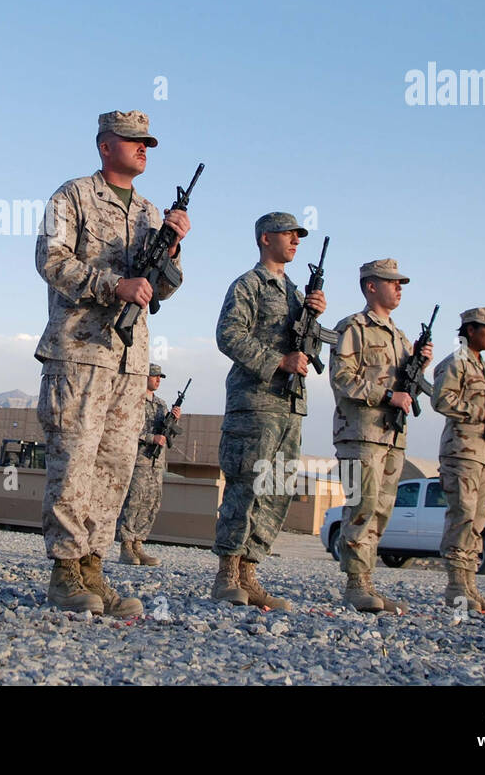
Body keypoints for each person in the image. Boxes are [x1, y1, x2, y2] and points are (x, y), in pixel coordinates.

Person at [35, 111, 190, 616]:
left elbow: (163, 288)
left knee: (114, 467)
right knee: (75, 460)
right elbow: (50, 260)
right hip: (79, 351)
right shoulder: (73, 195)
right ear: (105, 145)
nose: (143, 148)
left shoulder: (150, 211)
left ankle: (94, 567)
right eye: (133, 141)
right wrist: (110, 285)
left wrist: (173, 245)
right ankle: (65, 572)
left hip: (129, 362)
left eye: (147, 142)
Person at [212, 213, 326, 610]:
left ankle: (249, 571)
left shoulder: (297, 293)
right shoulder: (250, 284)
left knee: (276, 489)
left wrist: (314, 319)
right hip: (255, 402)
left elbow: (308, 352)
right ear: (265, 238)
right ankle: (226, 572)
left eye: (298, 236)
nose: (295, 241)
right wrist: (278, 362)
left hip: (290, 405)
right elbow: (228, 335)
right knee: (246, 484)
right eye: (288, 234)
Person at [328, 259, 431, 614]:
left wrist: (418, 365)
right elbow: (342, 378)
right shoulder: (353, 327)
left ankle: (367, 580)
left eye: (401, 282)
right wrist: (388, 396)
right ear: (371, 286)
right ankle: (355, 584)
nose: (399, 287)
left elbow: (402, 383)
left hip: (391, 436)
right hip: (360, 433)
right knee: (362, 505)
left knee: (382, 510)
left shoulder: (399, 337)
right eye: (392, 282)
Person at [432, 306, 485, 615]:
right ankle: (456, 586)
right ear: (469, 331)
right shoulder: (455, 363)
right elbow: (442, 400)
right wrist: (482, 413)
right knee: (462, 516)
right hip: (461, 453)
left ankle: (470, 586)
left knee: (477, 522)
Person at [116, 364, 181, 566]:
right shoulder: (134, 401)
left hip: (156, 463)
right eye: (154, 376)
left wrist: (173, 419)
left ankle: (138, 544)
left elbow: (167, 433)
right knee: (133, 500)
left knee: (152, 502)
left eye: (159, 377)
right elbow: (125, 428)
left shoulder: (161, 405)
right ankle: (126, 546)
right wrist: (151, 438)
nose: (157, 380)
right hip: (139, 460)